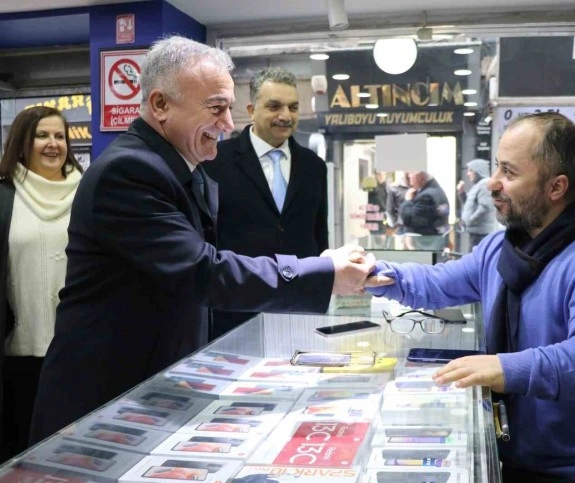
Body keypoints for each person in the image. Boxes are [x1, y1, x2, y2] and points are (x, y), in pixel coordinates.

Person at [29, 36, 386, 445]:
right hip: (105, 397)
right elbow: (203, 270)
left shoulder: (185, 165)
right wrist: (324, 273)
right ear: (160, 105)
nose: (229, 125)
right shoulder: (128, 172)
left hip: (153, 387)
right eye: (215, 109)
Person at [368, 113, 575, 482]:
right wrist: (374, 273)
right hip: (508, 455)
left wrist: (506, 368)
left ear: (556, 187)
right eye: (497, 168)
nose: (492, 184)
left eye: (509, 173)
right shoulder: (501, 247)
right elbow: (436, 283)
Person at [205, 67, 329, 337]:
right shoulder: (214, 162)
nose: (286, 116)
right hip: (236, 309)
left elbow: (319, 237)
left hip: (300, 309)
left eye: (293, 107)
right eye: (274, 106)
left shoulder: (314, 167)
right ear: (251, 109)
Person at [0, 107, 83, 459]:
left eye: (60, 136)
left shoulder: (87, 193)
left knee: (74, 454)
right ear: (22, 142)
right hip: (16, 354)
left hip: (78, 352)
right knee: (19, 452)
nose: (53, 144)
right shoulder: (5, 196)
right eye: (42, 135)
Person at [456, 159, 498, 250]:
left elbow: (485, 207)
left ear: (479, 171)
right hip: (477, 231)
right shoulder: (478, 185)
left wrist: (470, 221)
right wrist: (462, 193)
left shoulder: (484, 184)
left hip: (481, 232)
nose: (468, 174)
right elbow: (471, 205)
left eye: (471, 170)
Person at [400, 170, 450, 235]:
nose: (411, 184)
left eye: (410, 177)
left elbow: (408, 219)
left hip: (424, 242)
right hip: (433, 240)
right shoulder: (435, 190)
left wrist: (407, 200)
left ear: (419, 177)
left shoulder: (426, 196)